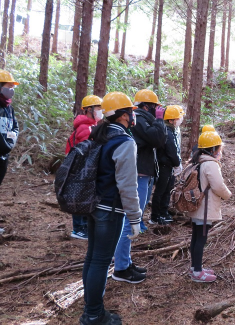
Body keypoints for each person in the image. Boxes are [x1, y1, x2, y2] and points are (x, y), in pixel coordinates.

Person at [80, 91, 142, 325]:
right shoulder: (124, 142)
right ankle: (94, 314)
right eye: (131, 112)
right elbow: (127, 185)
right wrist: (135, 219)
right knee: (100, 261)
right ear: (124, 116)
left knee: (92, 257)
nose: (132, 117)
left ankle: (90, 309)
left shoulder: (100, 135)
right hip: (111, 209)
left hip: (95, 205)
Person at [112, 89, 166, 284]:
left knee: (130, 219)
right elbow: (159, 139)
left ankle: (124, 262)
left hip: (143, 174)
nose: (158, 110)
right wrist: (159, 120)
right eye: (156, 107)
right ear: (147, 106)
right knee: (130, 220)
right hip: (139, 176)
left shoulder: (142, 119)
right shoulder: (142, 119)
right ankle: (121, 267)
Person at [187, 131, 232, 282]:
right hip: (204, 208)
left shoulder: (198, 160)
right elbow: (218, 186)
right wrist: (228, 195)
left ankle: (195, 268)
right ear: (213, 149)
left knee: (196, 237)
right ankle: (198, 272)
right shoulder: (210, 164)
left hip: (196, 206)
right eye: (219, 149)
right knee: (201, 239)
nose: (220, 152)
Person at [65, 95, 103, 240]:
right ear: (89, 110)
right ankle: (79, 228)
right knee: (80, 195)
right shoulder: (86, 128)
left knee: (84, 195)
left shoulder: (93, 125)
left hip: (83, 167)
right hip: (81, 167)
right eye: (98, 108)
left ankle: (84, 226)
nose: (100, 111)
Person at [0, 70, 18, 238]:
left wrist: (11, 142)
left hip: (3, 155)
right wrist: (3, 145)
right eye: (9, 86)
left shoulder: (8, 107)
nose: (11, 89)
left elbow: (15, 127)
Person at [150, 105, 181, 225]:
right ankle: (156, 215)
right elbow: (171, 151)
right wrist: (177, 163)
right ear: (170, 120)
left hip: (168, 166)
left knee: (166, 190)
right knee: (161, 191)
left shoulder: (170, 130)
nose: (179, 120)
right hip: (164, 166)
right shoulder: (167, 131)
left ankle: (163, 212)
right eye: (176, 118)